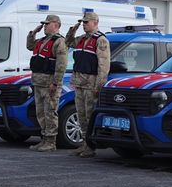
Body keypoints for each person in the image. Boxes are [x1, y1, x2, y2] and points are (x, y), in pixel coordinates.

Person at [65, 11, 110, 158]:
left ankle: (90, 146)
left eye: (86, 22)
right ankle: (84, 143)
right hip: (79, 82)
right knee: (81, 115)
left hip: (91, 83)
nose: (84, 25)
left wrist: (99, 85)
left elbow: (103, 65)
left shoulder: (100, 40)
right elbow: (68, 42)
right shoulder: (81, 39)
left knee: (90, 115)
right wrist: (73, 29)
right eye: (83, 22)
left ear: (95, 23)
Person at [27, 14, 68, 152]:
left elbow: (61, 65)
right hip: (38, 82)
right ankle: (44, 138)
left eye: (47, 24)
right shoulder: (42, 40)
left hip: (49, 83)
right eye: (44, 24)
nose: (44, 26)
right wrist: (33, 33)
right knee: (40, 112)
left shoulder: (59, 41)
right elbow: (29, 46)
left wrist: (55, 83)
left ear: (56, 25)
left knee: (50, 112)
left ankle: (51, 141)